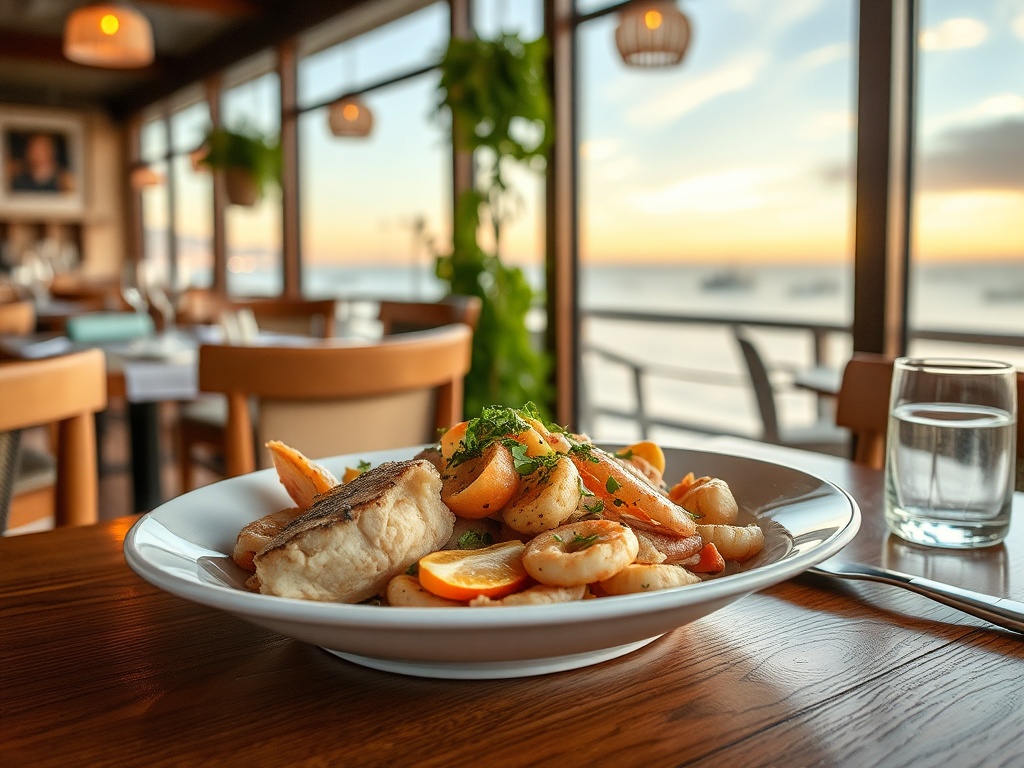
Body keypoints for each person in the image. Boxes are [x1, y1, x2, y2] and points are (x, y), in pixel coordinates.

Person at [9, 133, 74, 194]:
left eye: (41, 148)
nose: (36, 153)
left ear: (51, 151)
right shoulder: (19, 180)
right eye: (33, 148)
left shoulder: (64, 180)